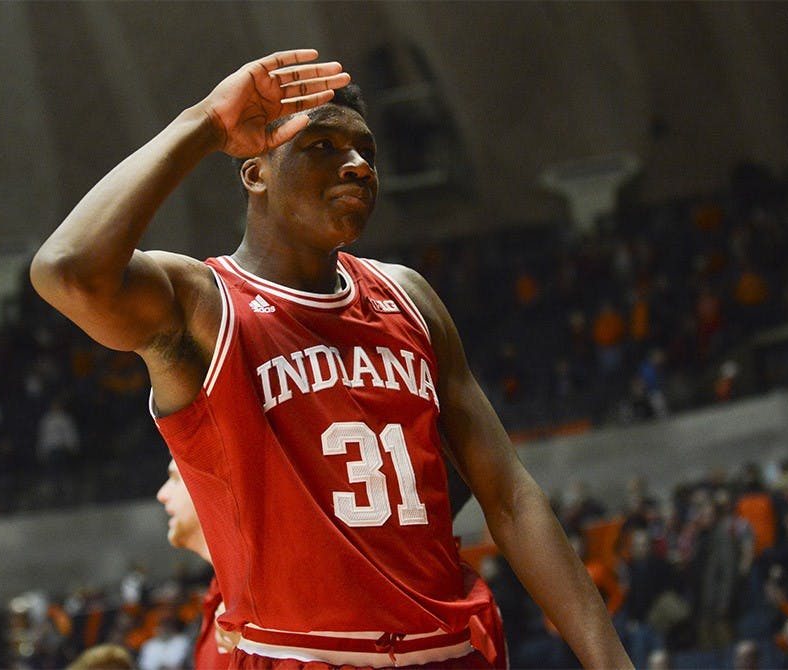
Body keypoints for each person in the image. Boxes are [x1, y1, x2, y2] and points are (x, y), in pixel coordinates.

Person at [31, 49, 631, 669]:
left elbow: (507, 495)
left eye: (366, 151)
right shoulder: (206, 306)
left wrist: (612, 664)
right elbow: (66, 271)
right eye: (321, 145)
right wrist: (205, 124)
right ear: (255, 174)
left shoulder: (409, 296)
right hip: (299, 653)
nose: (358, 166)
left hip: (447, 651)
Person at [156, 458, 240, 669]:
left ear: (211, 484)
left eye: (175, 478)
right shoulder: (220, 591)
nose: (162, 494)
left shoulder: (264, 599)